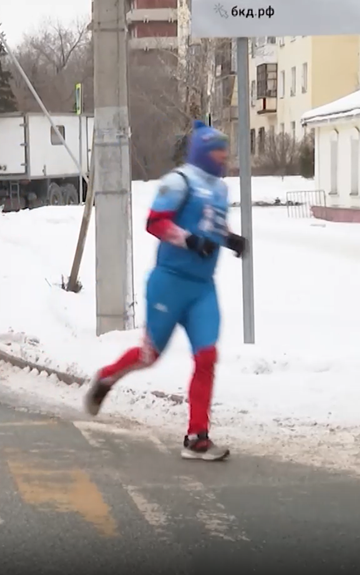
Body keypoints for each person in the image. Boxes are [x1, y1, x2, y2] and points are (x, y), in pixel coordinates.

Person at [84, 121, 246, 462]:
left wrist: (229, 238)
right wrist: (188, 240)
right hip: (169, 283)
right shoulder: (178, 181)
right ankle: (106, 378)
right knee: (150, 355)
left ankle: (197, 437)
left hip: (203, 288)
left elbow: (212, 225)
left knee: (207, 357)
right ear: (204, 150)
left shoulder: (219, 189)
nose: (224, 156)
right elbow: (155, 222)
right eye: (219, 150)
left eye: (226, 150)